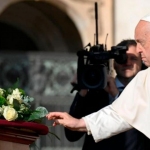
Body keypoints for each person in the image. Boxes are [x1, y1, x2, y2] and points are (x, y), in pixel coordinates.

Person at [46, 14, 150, 143]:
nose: (139, 49)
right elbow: (118, 114)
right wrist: (79, 122)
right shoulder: (143, 80)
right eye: (121, 58)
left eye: (141, 42)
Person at [65, 39, 150, 150]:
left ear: (141, 62)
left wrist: (116, 95)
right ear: (113, 63)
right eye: (121, 59)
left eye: (133, 58)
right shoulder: (97, 93)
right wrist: (83, 90)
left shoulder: (146, 92)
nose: (127, 63)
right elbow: (71, 135)